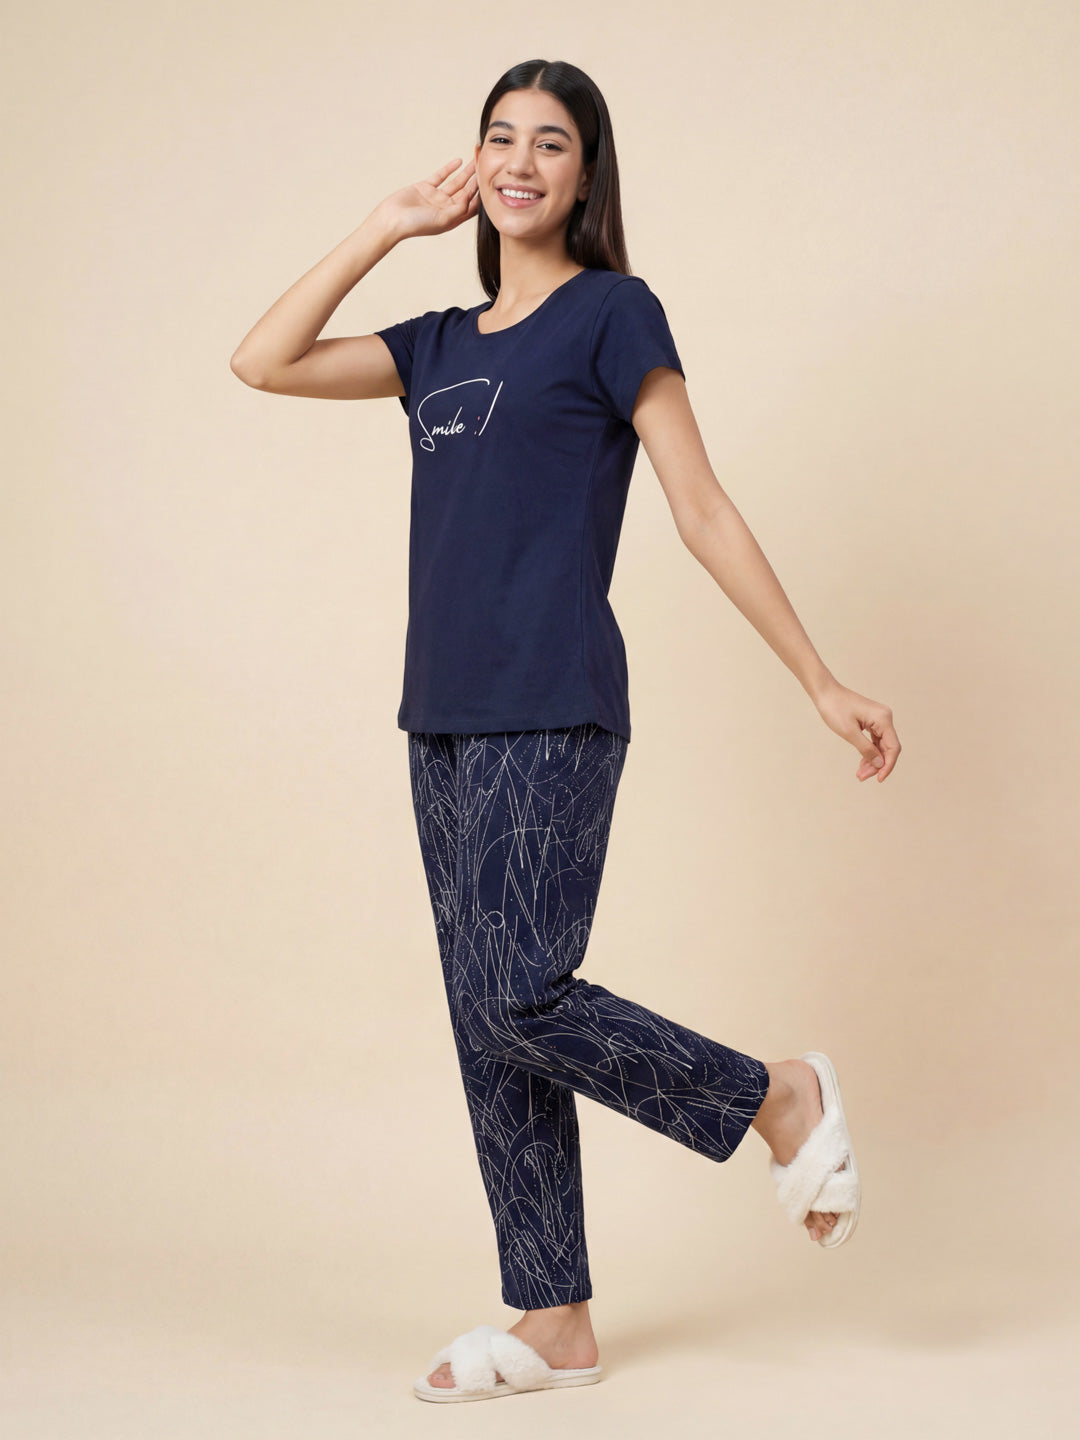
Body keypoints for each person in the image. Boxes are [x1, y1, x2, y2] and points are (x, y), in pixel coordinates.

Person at [230, 57, 900, 1404]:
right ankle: (554, 1316)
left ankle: (777, 1098)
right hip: (440, 717)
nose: (520, 161)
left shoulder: (611, 312)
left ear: (586, 173)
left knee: (520, 992)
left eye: (550, 141)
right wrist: (386, 226)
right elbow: (263, 360)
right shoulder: (433, 345)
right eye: (500, 138)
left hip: (554, 701)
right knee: (490, 1024)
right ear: (474, 164)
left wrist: (818, 679)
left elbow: (699, 506)